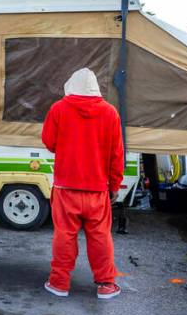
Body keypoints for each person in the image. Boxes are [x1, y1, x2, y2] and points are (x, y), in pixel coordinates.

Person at [41, 68, 125, 300]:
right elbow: (117, 155)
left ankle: (59, 283)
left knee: (64, 235)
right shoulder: (110, 113)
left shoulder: (59, 109)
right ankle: (106, 285)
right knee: (100, 236)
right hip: (97, 190)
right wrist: (115, 185)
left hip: (65, 188)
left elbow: (49, 142)